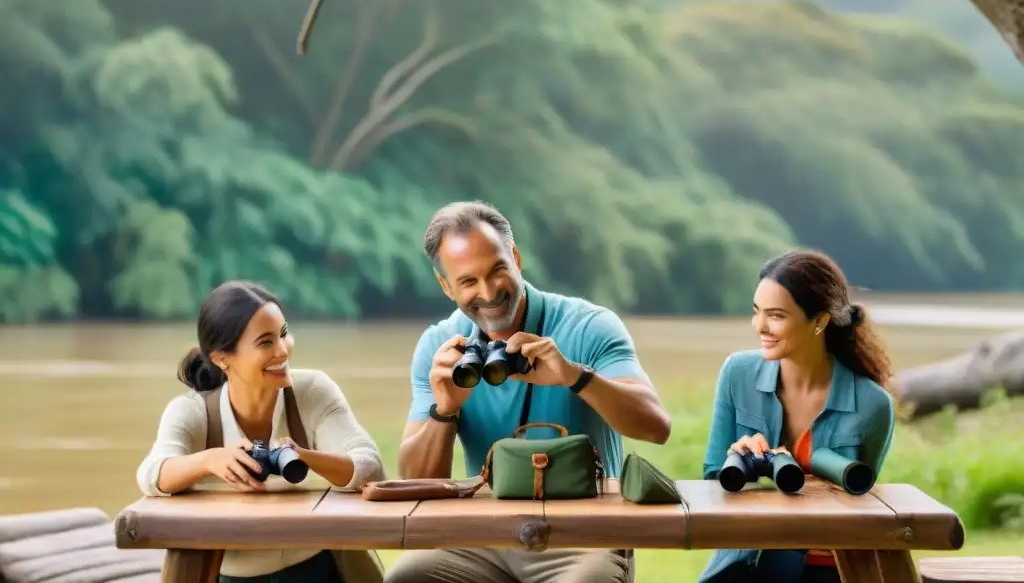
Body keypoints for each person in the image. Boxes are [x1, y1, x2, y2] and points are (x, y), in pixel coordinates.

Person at [384, 201, 671, 583]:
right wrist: (446, 409)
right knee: (406, 578)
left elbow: (656, 428)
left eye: (497, 270)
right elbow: (415, 483)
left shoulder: (590, 326)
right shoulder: (439, 346)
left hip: (587, 536)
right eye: (468, 281)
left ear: (515, 258)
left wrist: (575, 377)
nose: (488, 293)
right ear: (446, 286)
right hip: (484, 536)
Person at [136, 280, 386, 583]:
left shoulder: (311, 392)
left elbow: (370, 467)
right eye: (266, 342)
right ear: (222, 358)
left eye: (283, 334)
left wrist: (303, 456)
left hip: (315, 568)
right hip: (229, 575)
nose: (283, 351)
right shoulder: (192, 411)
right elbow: (150, 475)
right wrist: (211, 460)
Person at [699, 249, 897, 583]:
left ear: (819, 321)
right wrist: (741, 458)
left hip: (831, 562)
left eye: (776, 315)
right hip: (748, 556)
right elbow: (712, 478)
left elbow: (858, 498)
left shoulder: (871, 403)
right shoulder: (738, 374)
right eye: (756, 312)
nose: (760, 326)